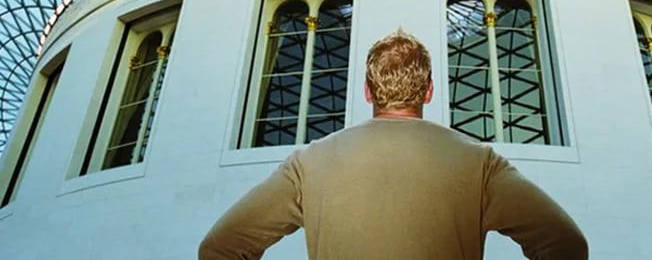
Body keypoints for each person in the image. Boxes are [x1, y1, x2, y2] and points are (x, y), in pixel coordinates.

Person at [198, 29, 588, 259]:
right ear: (430, 90)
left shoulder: (308, 163)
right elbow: (568, 245)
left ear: (368, 91)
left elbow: (218, 248)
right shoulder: (480, 163)